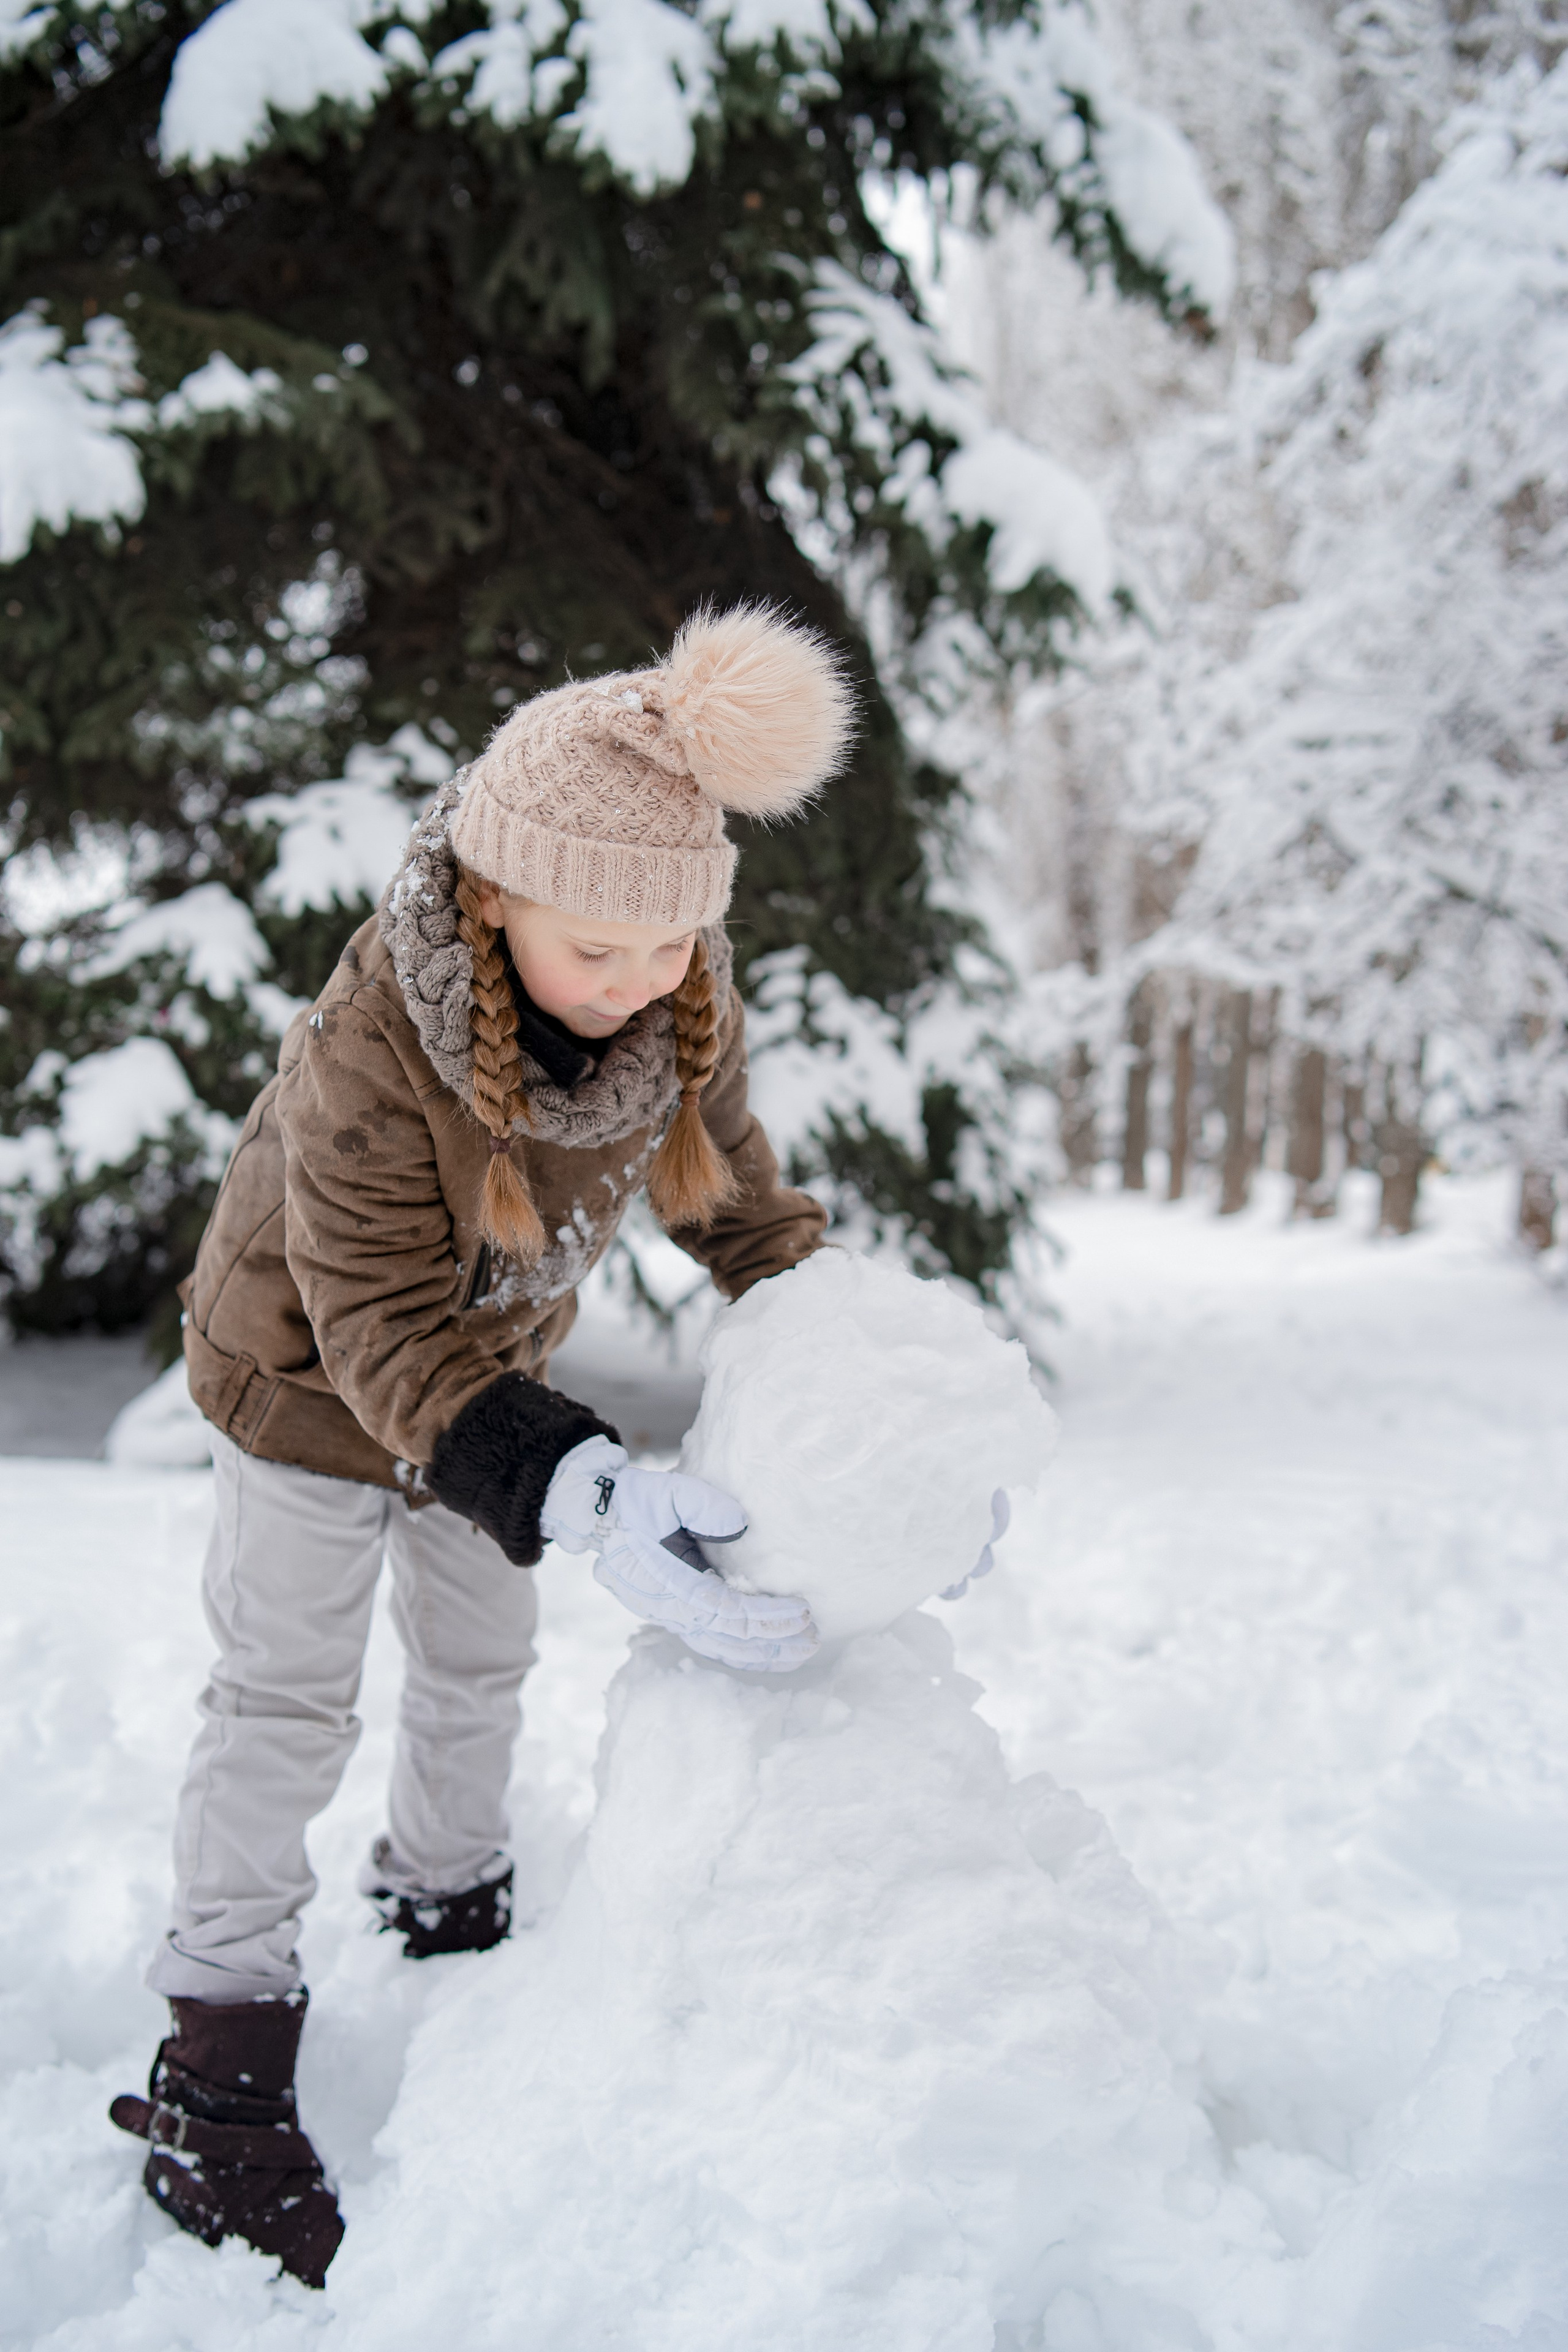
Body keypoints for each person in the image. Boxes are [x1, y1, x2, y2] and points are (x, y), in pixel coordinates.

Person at [108, 605, 853, 2286]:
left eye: (672, 950)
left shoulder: (671, 983)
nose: (641, 985)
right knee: (287, 1698)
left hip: (486, 1377)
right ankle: (214, 2073)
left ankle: (447, 1918)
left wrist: (855, 1373)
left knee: (478, 1656)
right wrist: (567, 1477)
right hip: (308, 1383)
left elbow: (733, 1193)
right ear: (498, 897)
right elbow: (370, 1309)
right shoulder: (380, 1038)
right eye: (602, 953)